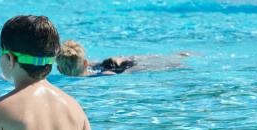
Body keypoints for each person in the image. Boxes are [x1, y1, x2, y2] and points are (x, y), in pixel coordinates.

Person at [56, 40, 189, 77]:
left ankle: (176, 58)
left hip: (113, 67)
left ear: (58, 68)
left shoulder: (104, 73)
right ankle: (177, 57)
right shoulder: (89, 66)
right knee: (140, 61)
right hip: (109, 66)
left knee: (142, 65)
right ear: (85, 63)